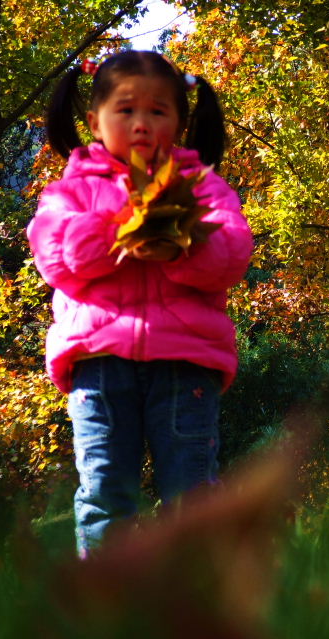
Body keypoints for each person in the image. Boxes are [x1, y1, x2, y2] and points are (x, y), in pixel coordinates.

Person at [27, 51, 254, 556]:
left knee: (191, 494)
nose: (141, 124)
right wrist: (119, 229)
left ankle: (195, 609)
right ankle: (109, 613)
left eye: (158, 111)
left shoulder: (203, 187)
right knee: (106, 493)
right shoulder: (71, 190)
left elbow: (232, 255)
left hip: (184, 363)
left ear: (179, 120)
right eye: (125, 110)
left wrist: (181, 244)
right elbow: (57, 256)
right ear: (95, 121)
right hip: (99, 363)